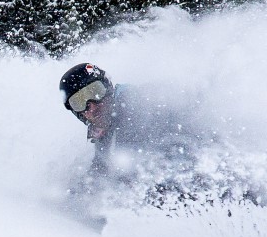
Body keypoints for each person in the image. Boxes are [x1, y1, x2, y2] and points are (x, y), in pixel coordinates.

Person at [59, 62, 197, 180]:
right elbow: (100, 170)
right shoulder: (104, 128)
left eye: (96, 92)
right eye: (79, 102)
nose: (92, 106)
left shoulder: (133, 103)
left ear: (108, 88)